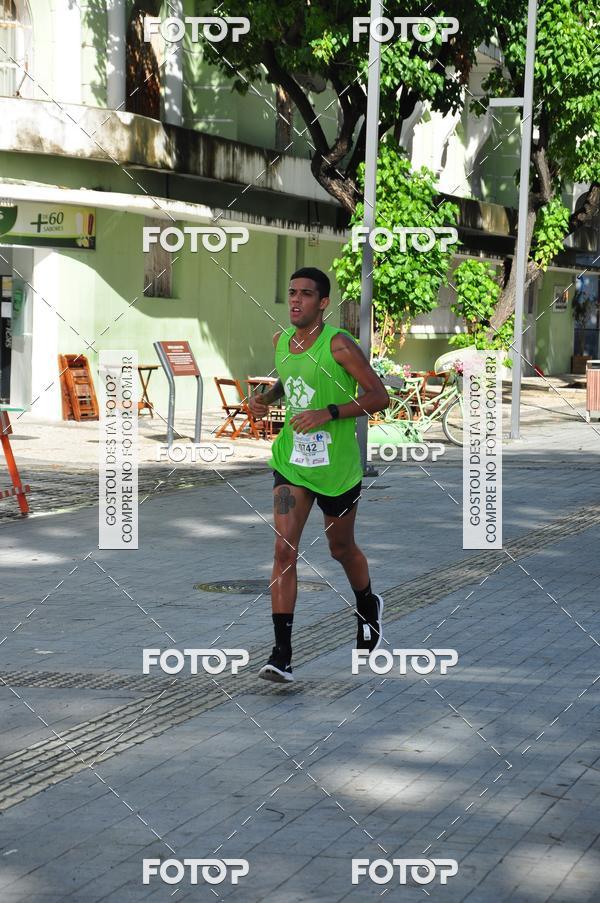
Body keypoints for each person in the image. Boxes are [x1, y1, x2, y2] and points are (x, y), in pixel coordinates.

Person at [248, 267, 390, 683]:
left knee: (340, 548)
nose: (295, 300)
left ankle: (367, 604)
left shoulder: (340, 345)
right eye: (291, 293)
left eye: (306, 295)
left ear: (323, 302)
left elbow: (378, 396)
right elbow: (289, 383)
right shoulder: (281, 342)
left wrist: (328, 413)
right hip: (291, 462)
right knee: (283, 551)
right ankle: (281, 655)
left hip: (337, 468)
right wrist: (266, 397)